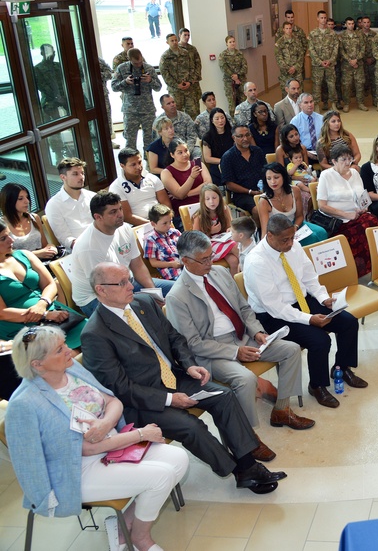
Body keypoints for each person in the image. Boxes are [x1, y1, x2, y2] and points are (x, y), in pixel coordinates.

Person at [81, 262, 285, 494]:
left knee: (224, 396)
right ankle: (239, 469)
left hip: (175, 378)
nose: (131, 285)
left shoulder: (143, 303)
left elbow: (175, 338)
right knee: (191, 426)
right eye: (122, 283)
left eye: (129, 279)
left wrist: (189, 366)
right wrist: (169, 399)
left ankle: (248, 465)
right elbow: (120, 388)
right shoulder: (95, 334)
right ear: (101, 290)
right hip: (143, 401)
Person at [6, 325, 188, 549]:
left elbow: (114, 401)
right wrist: (140, 434)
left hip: (110, 444)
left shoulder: (71, 371)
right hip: (74, 472)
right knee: (161, 477)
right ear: (37, 364)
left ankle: (123, 526)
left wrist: (104, 423)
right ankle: (141, 538)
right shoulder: (24, 404)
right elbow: (31, 459)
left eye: (64, 345)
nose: (70, 352)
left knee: (179, 459)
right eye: (59, 350)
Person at [165, 230, 313, 439]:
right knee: (245, 379)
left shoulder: (220, 273)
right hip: (213, 350)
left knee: (290, 349)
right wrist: (236, 352)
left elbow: (244, 309)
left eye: (211, 255)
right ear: (185, 261)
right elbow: (194, 344)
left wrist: (258, 332)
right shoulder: (177, 296)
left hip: (242, 335)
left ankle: (282, 410)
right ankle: (248, 437)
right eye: (204, 259)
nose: (210, 263)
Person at [244, 214, 367, 410]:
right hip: (272, 316)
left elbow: (310, 278)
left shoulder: (294, 246)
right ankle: (317, 386)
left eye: (293, 237)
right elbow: (275, 306)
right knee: (320, 340)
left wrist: (323, 297)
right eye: (285, 240)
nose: (291, 243)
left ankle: (341, 369)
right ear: (270, 236)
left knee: (348, 322)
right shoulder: (256, 262)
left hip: (301, 300)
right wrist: (309, 319)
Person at [0, 222, 84, 399]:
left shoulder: (24, 255)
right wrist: (43, 313)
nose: (11, 240)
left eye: (9, 234)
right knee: (64, 356)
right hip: (20, 327)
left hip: (54, 314)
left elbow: (50, 284)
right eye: (3, 238)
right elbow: (3, 312)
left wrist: (43, 303)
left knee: (93, 335)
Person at [69, 191, 174, 315]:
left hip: (126, 282)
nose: (120, 214)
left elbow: (137, 264)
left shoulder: (124, 228)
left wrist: (153, 293)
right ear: (98, 217)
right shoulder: (87, 247)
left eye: (120, 209)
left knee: (178, 289)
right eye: (113, 212)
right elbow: (104, 289)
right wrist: (147, 301)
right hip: (96, 297)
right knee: (143, 314)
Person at [316, 142, 378, 276]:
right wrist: (346, 215)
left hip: (357, 215)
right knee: (359, 232)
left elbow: (362, 197)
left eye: (349, 159)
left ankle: (377, 265)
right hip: (338, 219)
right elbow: (322, 205)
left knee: (373, 223)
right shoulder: (326, 176)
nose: (348, 163)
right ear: (334, 161)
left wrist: (364, 208)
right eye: (344, 160)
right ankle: (359, 271)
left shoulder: (355, 173)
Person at [259, 162, 326, 245]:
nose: (273, 181)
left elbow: (300, 216)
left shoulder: (295, 190)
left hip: (295, 224)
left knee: (321, 232)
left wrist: (295, 227)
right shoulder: (264, 201)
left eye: (276, 177)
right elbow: (265, 230)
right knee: (311, 238)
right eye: (269, 178)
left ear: (283, 177)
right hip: (278, 231)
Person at [111, 48, 161, 152]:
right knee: (130, 140)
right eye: (135, 63)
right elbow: (114, 87)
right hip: (130, 110)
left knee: (150, 140)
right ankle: (130, 164)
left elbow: (158, 87)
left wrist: (150, 80)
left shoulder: (149, 68)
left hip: (148, 110)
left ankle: (150, 164)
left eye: (140, 62)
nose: (138, 65)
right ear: (129, 59)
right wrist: (125, 82)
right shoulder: (122, 68)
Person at [44, 158, 96, 252]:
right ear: (63, 177)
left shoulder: (93, 197)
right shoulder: (54, 205)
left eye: (82, 173)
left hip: (101, 240)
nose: (81, 177)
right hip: (79, 250)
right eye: (75, 174)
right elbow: (65, 238)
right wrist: (86, 246)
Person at [112, 147, 170, 226]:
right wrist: (152, 225)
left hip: (161, 222)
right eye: (133, 165)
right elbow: (127, 216)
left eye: (139, 162)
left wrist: (164, 221)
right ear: (122, 166)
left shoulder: (153, 178)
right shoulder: (116, 187)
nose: (138, 167)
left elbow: (166, 204)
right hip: (136, 226)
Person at [190, 184, 241, 273]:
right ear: (203, 200)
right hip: (208, 245)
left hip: (224, 241)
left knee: (234, 261)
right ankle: (249, 269)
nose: (211, 202)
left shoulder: (224, 209)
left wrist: (230, 229)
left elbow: (231, 225)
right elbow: (195, 238)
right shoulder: (199, 216)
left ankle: (235, 285)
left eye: (214, 198)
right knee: (236, 247)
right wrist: (210, 231)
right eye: (207, 199)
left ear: (220, 198)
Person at [0, 183, 58, 261]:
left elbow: (45, 245)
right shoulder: (2, 224)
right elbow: (5, 256)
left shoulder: (34, 218)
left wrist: (51, 247)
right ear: (9, 201)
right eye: (20, 198)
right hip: (21, 266)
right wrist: (36, 254)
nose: (27, 201)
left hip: (43, 262)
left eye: (27, 197)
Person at [220, 124, 267, 218]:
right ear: (234, 138)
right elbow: (229, 184)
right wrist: (250, 192)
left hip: (263, 189)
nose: (245, 138)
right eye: (240, 136)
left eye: (247, 135)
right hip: (243, 194)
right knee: (258, 210)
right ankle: (261, 232)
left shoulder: (257, 151)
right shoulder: (228, 157)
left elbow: (266, 171)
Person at [162, 139, 210, 218]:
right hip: (185, 210)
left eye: (186, 150)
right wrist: (192, 177)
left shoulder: (198, 164)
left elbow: (208, 185)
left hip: (205, 204)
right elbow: (180, 195)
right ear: (172, 155)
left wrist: (187, 194)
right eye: (180, 152)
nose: (185, 154)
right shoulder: (166, 172)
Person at [143, 204, 183, 280]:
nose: (169, 225)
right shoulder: (151, 240)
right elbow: (153, 263)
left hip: (185, 265)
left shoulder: (175, 232)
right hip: (172, 271)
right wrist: (171, 264)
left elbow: (185, 246)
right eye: (165, 223)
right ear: (153, 224)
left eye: (170, 221)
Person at [200, 107, 234, 186]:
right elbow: (207, 158)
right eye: (217, 119)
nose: (220, 121)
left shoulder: (232, 132)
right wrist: (224, 161)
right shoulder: (207, 137)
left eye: (222, 117)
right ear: (212, 120)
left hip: (233, 163)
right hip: (217, 165)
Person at [219, 34, 248, 111]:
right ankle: (233, 121)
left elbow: (245, 66)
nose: (232, 43)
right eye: (230, 42)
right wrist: (234, 78)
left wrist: (238, 75)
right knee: (232, 103)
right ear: (226, 44)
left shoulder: (240, 54)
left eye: (233, 41)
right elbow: (223, 67)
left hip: (241, 80)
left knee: (244, 101)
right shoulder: (223, 55)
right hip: (229, 82)